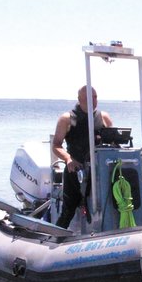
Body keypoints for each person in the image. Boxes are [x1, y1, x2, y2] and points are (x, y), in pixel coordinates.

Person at [51, 85, 113, 228]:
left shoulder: (104, 117)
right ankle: (56, 238)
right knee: (68, 210)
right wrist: (68, 159)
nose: (93, 100)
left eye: (95, 97)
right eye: (88, 98)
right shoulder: (67, 119)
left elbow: (113, 143)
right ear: (79, 99)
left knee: (106, 205)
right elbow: (56, 145)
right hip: (75, 170)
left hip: (99, 171)